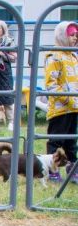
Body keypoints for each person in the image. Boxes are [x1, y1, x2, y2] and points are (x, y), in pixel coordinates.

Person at [44, 21, 78, 183]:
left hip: (74, 108)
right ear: (62, 36)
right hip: (60, 109)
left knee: (72, 142)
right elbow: (51, 84)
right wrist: (69, 98)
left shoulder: (73, 56)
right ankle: (52, 170)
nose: (74, 39)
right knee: (56, 141)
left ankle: (73, 170)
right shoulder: (54, 56)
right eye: (71, 35)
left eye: (76, 36)